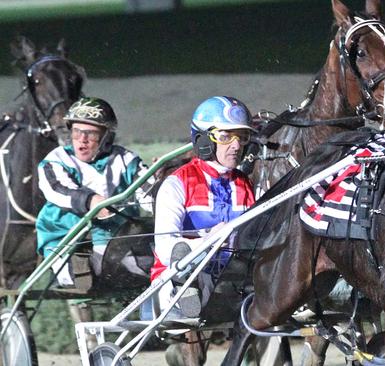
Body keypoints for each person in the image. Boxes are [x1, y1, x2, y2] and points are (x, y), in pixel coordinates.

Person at [150, 96, 256, 319]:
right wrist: (208, 241)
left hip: (231, 280)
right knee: (190, 266)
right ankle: (186, 289)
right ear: (204, 140)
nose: (236, 146)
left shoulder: (245, 184)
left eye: (242, 137)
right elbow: (164, 248)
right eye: (226, 137)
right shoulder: (177, 184)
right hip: (176, 278)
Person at [36, 96, 153, 286]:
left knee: (151, 270)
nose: (82, 140)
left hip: (119, 239)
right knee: (82, 277)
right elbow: (57, 188)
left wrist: (163, 185)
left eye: (90, 134)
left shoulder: (126, 160)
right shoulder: (56, 160)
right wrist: (90, 201)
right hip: (68, 239)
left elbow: (149, 193)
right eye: (76, 132)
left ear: (106, 136)